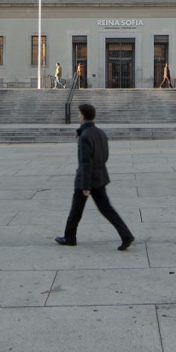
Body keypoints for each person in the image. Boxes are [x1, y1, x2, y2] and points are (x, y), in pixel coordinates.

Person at [55, 103, 134, 251]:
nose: (78, 116)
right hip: (100, 177)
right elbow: (105, 156)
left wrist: (85, 185)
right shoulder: (100, 133)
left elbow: (85, 162)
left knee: (76, 209)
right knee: (107, 209)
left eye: (79, 114)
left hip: (86, 179)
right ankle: (126, 235)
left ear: (83, 116)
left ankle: (70, 237)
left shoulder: (85, 136)